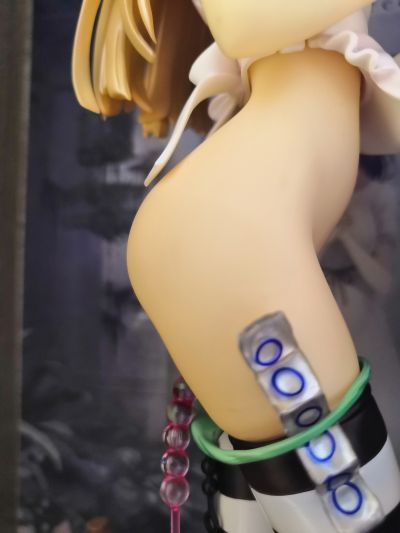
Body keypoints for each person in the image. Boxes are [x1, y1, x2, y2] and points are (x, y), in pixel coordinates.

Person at [72, 1, 400, 531]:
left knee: (277, 516)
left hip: (232, 232)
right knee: (355, 511)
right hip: (235, 236)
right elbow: (239, 22)